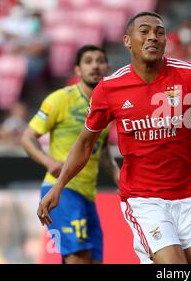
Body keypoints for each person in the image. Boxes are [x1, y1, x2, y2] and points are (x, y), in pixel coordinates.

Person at [37, 11, 191, 264]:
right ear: (127, 40)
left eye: (160, 32)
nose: (153, 37)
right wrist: (59, 185)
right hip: (145, 201)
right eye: (144, 31)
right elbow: (85, 143)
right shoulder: (109, 89)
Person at [21, 45, 120, 264]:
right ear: (77, 69)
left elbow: (101, 147)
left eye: (100, 60)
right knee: (79, 258)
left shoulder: (108, 104)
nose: (95, 65)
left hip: (88, 195)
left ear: (108, 67)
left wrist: (115, 173)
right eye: (88, 61)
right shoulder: (60, 99)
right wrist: (49, 162)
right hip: (61, 191)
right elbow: (27, 137)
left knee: (94, 260)